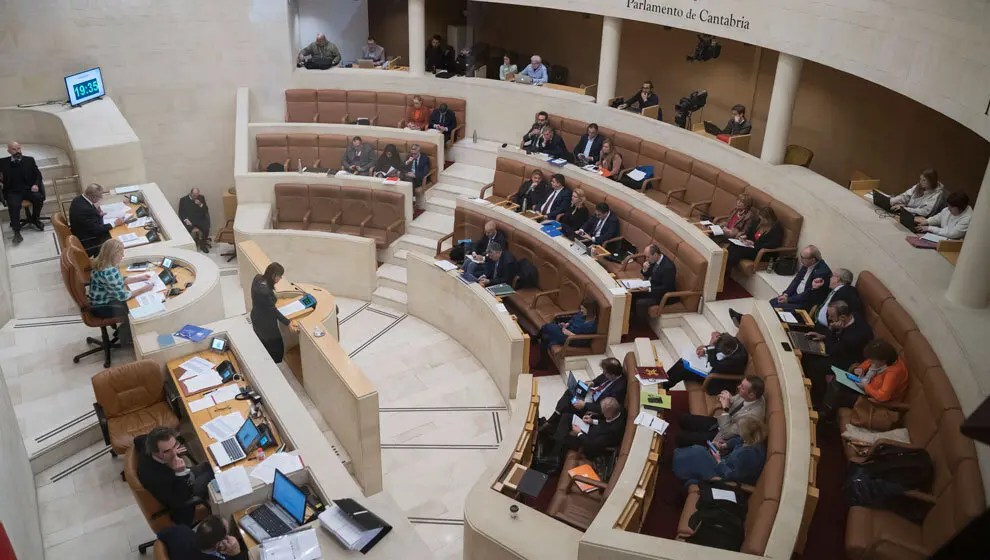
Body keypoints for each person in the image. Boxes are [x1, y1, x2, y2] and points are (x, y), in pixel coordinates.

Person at [136, 427, 215, 527]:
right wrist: (180, 473)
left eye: (174, 446)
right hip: (183, 494)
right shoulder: (157, 478)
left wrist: (169, 453)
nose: (174, 453)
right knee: (214, 472)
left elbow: (137, 439)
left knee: (209, 465)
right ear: (155, 452)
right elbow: (181, 500)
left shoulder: (146, 444)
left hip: (177, 479)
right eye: (167, 451)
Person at [802, 300, 874, 405]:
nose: (829, 319)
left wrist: (832, 329)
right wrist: (823, 336)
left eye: (831, 316)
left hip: (849, 362)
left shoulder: (853, 337)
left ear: (843, 318)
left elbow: (832, 349)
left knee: (816, 366)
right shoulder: (854, 316)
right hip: (841, 350)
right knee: (808, 354)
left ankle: (817, 399)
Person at [820, 339, 907, 422]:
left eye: (872, 360)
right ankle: (825, 411)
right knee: (836, 382)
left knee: (839, 396)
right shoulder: (882, 358)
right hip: (867, 385)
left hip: (876, 400)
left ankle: (826, 417)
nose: (870, 362)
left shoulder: (893, 373)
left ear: (883, 361)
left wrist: (866, 386)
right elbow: (868, 362)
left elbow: (882, 396)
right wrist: (860, 369)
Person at [89, 239, 153, 344]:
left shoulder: (102, 263)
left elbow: (119, 281)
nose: (123, 255)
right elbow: (123, 296)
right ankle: (124, 335)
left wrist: (140, 278)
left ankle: (122, 333)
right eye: (121, 253)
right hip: (104, 307)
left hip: (98, 303)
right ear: (113, 254)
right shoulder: (108, 272)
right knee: (137, 307)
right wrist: (144, 289)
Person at [675, 375, 766, 448]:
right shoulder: (751, 395)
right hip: (721, 421)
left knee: (682, 437)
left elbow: (726, 433)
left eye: (742, 388)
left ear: (751, 395)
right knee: (683, 418)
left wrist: (725, 408)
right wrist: (726, 397)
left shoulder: (751, 417)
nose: (738, 387)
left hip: (722, 437)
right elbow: (733, 401)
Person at [673, 417, 767, 486]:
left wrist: (718, 461)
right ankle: (677, 460)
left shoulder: (748, 455)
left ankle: (676, 464)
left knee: (698, 453)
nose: (738, 431)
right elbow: (738, 440)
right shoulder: (751, 440)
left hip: (723, 474)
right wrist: (724, 445)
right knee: (699, 451)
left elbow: (732, 475)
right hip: (724, 463)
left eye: (740, 430)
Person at [543, 357, 627, 431]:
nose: (604, 374)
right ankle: (554, 419)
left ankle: (552, 421)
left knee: (570, 403)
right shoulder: (610, 373)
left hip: (594, 405)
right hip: (592, 394)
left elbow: (606, 407)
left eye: (605, 373)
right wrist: (592, 383)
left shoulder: (619, 388)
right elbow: (600, 378)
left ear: (612, 375)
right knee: (570, 392)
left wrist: (585, 405)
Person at [662, 332, 748, 394]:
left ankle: (663, 387)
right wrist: (705, 349)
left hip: (717, 380)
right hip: (714, 368)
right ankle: (663, 383)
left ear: (726, 352)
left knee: (683, 368)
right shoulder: (733, 341)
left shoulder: (735, 361)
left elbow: (715, 363)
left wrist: (710, 346)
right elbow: (717, 347)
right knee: (683, 362)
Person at [550, 397, 625, 463]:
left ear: (609, 415)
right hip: (593, 430)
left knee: (564, 437)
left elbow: (592, 445)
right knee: (567, 417)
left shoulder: (612, 431)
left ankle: (553, 458)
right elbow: (606, 422)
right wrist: (592, 421)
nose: (601, 412)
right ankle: (552, 438)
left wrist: (579, 433)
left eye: (603, 411)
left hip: (589, 443)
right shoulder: (619, 410)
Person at [250, 262, 300, 363]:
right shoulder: (264, 292)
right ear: (273, 275)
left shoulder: (258, 278)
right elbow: (273, 310)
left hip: (256, 317)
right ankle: (273, 363)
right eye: (279, 276)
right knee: (277, 347)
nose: (280, 279)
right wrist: (288, 322)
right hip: (265, 324)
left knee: (263, 342)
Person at [724, 207, 784, 288]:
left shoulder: (776, 229)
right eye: (761, 219)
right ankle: (724, 269)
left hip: (763, 253)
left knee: (738, 250)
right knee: (733, 246)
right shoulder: (759, 223)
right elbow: (752, 235)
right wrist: (746, 238)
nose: (761, 221)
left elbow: (773, 245)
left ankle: (725, 273)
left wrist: (755, 244)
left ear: (769, 219)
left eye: (763, 219)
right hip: (753, 247)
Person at [0, 141, 45, 243]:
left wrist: (35, 185)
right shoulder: (2, 162)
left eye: (18, 149)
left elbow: (38, 175)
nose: (17, 151)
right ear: (9, 151)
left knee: (39, 198)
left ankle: (34, 218)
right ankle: (17, 232)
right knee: (14, 205)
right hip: (13, 191)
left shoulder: (29, 160)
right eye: (14, 149)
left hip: (28, 189)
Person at [158, 515, 246, 560]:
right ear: (218, 545)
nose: (229, 536)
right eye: (226, 535)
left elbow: (160, 535)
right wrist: (237, 553)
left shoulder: (181, 530)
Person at [70, 184, 123, 256]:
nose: (100, 198)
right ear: (93, 197)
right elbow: (97, 229)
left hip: (82, 233)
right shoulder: (86, 209)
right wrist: (114, 224)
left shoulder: (78, 199)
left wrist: (98, 215)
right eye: (100, 197)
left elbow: (88, 220)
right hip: (90, 241)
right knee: (117, 239)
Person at [633, 243, 677, 320]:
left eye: (648, 257)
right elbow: (648, 274)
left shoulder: (668, 267)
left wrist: (649, 289)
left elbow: (666, 287)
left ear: (656, 254)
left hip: (662, 295)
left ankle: (640, 325)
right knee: (633, 293)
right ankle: (630, 318)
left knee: (640, 303)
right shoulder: (653, 260)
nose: (646, 259)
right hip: (653, 287)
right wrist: (645, 269)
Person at [178, 188, 211, 253]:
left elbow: (206, 209)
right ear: (191, 193)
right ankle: (189, 246)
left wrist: (200, 204)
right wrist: (185, 219)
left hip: (200, 219)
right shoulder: (183, 200)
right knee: (186, 230)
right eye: (194, 195)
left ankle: (202, 244)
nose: (195, 196)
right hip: (189, 220)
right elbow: (181, 212)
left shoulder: (201, 198)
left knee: (206, 228)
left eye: (197, 195)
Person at [403, 144, 431, 210]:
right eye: (412, 153)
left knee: (409, 179)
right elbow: (402, 167)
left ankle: (411, 200)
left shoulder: (424, 158)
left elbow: (425, 171)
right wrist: (407, 162)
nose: (413, 155)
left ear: (419, 152)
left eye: (415, 154)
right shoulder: (409, 156)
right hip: (408, 176)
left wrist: (415, 175)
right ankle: (411, 199)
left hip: (418, 178)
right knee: (407, 177)